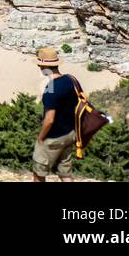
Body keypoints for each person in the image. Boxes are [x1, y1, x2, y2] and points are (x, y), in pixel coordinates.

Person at [31, 47, 78, 182]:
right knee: (65, 173)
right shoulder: (70, 80)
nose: (39, 66)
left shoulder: (51, 90)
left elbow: (49, 119)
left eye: (40, 64)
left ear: (44, 66)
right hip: (69, 133)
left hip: (53, 137)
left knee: (39, 173)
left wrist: (40, 138)